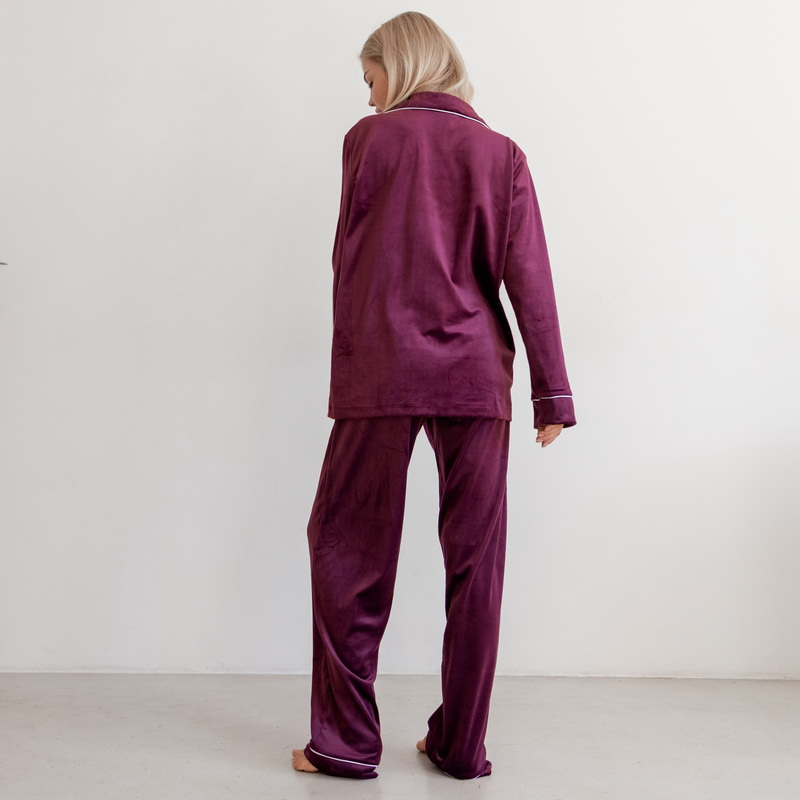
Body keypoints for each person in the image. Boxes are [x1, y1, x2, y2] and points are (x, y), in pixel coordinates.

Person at [291, 10, 576, 781]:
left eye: (372, 76)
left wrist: (351, 366)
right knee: (476, 568)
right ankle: (459, 746)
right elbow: (531, 279)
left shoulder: (369, 140)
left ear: (402, 66)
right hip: (476, 379)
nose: (369, 94)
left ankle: (345, 744)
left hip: (381, 374)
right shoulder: (504, 154)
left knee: (346, 549)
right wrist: (552, 394)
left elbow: (350, 263)